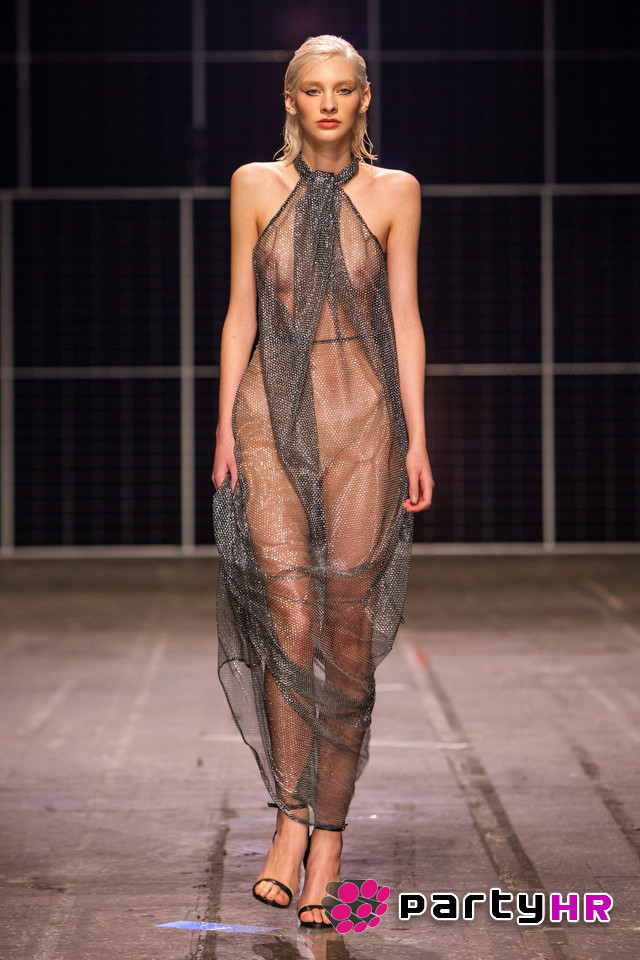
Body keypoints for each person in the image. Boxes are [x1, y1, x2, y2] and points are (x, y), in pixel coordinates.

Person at [211, 34, 434, 929]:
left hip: (364, 422)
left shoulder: (397, 192)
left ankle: (329, 836)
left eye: (344, 88)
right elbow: (240, 312)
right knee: (288, 619)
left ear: (364, 98)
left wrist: (418, 437)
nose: (329, 103)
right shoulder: (251, 185)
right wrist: (222, 424)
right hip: (268, 413)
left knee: (344, 627)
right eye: (313, 89)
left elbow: (405, 318)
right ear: (291, 100)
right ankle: (288, 819)